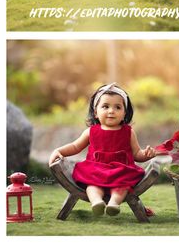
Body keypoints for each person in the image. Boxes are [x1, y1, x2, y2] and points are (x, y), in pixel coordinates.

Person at [49, 83, 157, 217]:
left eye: (117, 107)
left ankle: (114, 203)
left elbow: (136, 154)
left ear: (124, 113)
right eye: (105, 106)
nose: (111, 111)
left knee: (122, 186)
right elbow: (75, 146)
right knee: (92, 186)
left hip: (121, 171)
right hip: (96, 170)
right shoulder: (91, 132)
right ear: (95, 112)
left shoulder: (129, 132)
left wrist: (146, 155)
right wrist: (59, 151)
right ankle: (96, 202)